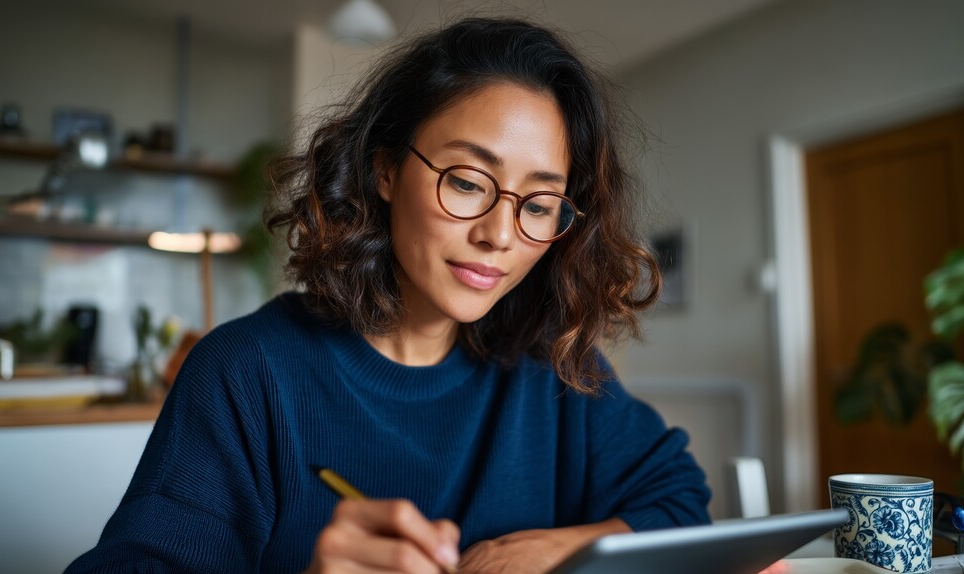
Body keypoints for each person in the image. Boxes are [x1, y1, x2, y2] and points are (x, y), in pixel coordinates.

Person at [65, 16, 710, 574]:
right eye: (467, 182)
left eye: (539, 204)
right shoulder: (246, 373)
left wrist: (551, 550)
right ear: (384, 169)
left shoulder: (553, 368)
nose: (498, 236)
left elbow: (680, 501)